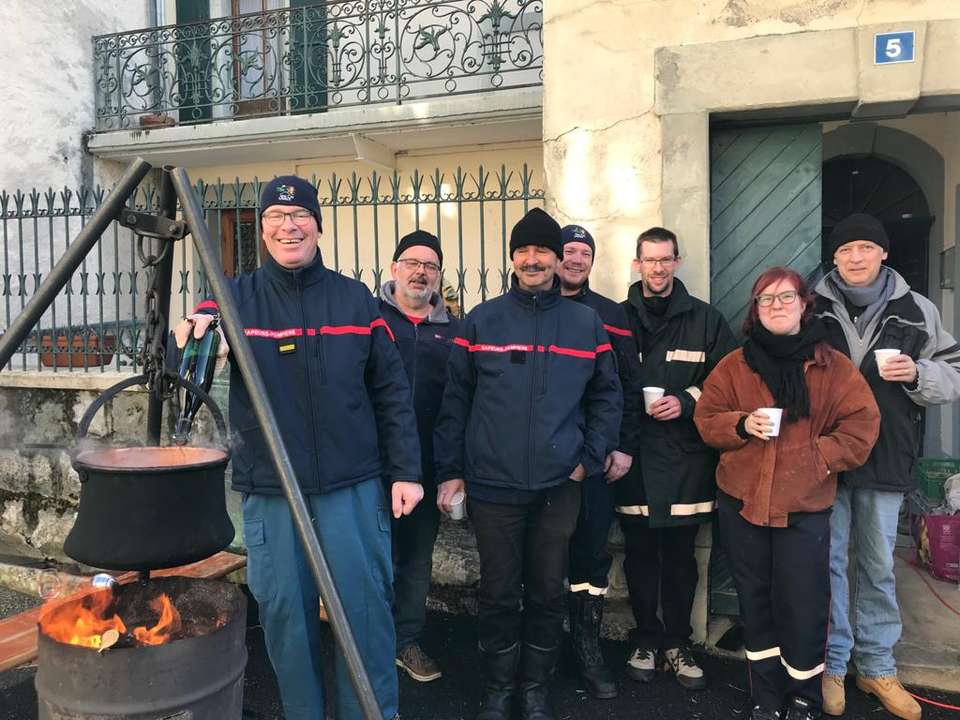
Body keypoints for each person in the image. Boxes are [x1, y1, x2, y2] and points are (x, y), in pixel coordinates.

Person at [174, 176, 423, 720]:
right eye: (275, 218)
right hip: (271, 491)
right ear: (262, 230)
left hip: (351, 487)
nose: (289, 226)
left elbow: (391, 390)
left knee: (364, 614)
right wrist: (197, 326)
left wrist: (406, 470)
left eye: (299, 216)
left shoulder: (354, 299)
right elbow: (194, 346)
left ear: (317, 224)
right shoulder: (236, 299)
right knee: (286, 616)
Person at [434, 208, 622, 720]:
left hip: (559, 487)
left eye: (543, 251)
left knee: (546, 592)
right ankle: (498, 690)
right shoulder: (481, 320)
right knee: (497, 593)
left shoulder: (585, 323)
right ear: (513, 257)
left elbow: (608, 395)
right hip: (493, 487)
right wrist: (452, 470)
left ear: (560, 261)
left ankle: (535, 690)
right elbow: (456, 402)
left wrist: (587, 460)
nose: (534, 259)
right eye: (525, 251)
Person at [695, 266, 880, 720]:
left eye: (785, 298)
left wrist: (817, 458)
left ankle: (804, 697)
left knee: (803, 605)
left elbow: (861, 426)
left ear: (803, 304)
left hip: (805, 507)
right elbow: (706, 418)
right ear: (754, 310)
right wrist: (740, 424)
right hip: (742, 504)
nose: (776, 306)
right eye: (765, 299)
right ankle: (766, 695)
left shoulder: (831, 366)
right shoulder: (735, 365)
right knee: (755, 602)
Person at [814, 214, 960, 720]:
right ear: (833, 257)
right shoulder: (810, 307)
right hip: (826, 456)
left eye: (866, 247)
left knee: (877, 564)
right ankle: (832, 664)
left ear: (884, 254)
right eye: (846, 248)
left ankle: (876, 665)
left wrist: (919, 372)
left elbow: (953, 371)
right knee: (829, 563)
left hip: (887, 450)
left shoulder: (916, 309)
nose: (856, 257)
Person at [615, 226, 737, 690]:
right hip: (635, 459)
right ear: (637, 263)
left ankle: (678, 644)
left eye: (666, 260)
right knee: (640, 553)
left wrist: (686, 399)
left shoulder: (706, 320)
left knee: (683, 557)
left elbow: (728, 382)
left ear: (677, 262)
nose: (659, 268)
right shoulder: (616, 318)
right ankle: (646, 639)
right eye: (650, 260)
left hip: (686, 459)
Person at [556, 224, 642, 700]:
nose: (574, 259)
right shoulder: (533, 307)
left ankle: (586, 647)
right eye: (567, 251)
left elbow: (627, 386)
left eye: (582, 253)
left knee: (590, 552)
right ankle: (545, 645)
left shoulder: (610, 316)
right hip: (543, 461)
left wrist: (623, 446)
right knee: (544, 554)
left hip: (594, 459)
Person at [378, 230, 462, 683]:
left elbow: (460, 405)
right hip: (370, 468)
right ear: (394, 269)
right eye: (411, 262)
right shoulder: (369, 320)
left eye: (429, 265)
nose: (420, 271)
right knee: (372, 558)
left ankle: (405, 640)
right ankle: (369, 642)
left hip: (426, 470)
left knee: (414, 560)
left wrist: (452, 471)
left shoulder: (453, 332)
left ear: (438, 274)